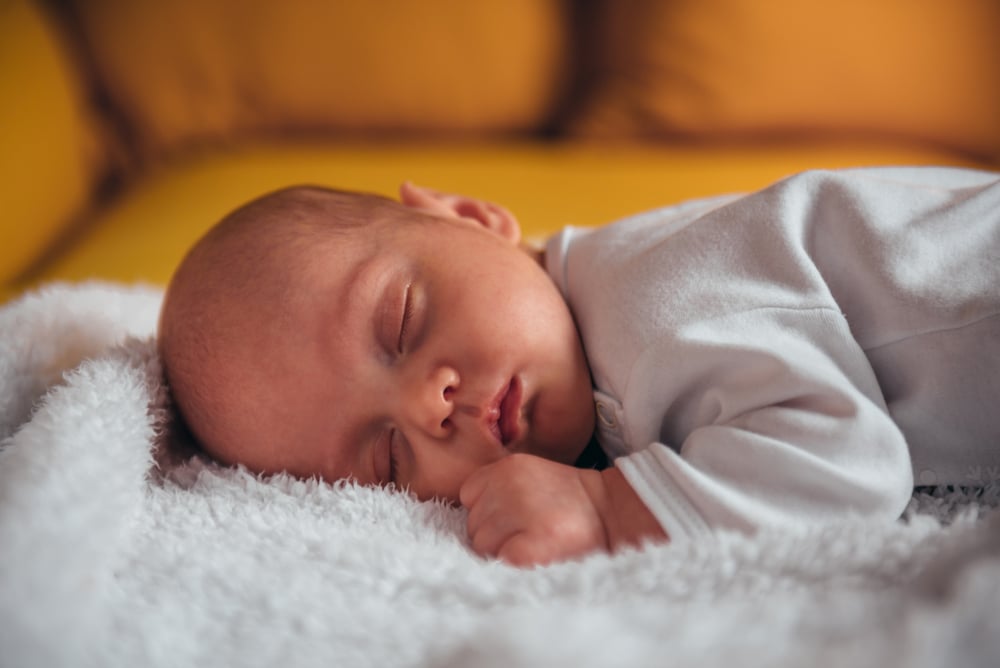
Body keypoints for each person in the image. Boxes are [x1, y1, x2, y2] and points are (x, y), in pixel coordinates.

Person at [158, 167, 1000, 566]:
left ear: (471, 216)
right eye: (387, 457)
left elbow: (847, 464)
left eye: (400, 322)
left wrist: (608, 507)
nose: (427, 405)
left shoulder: (655, 316)